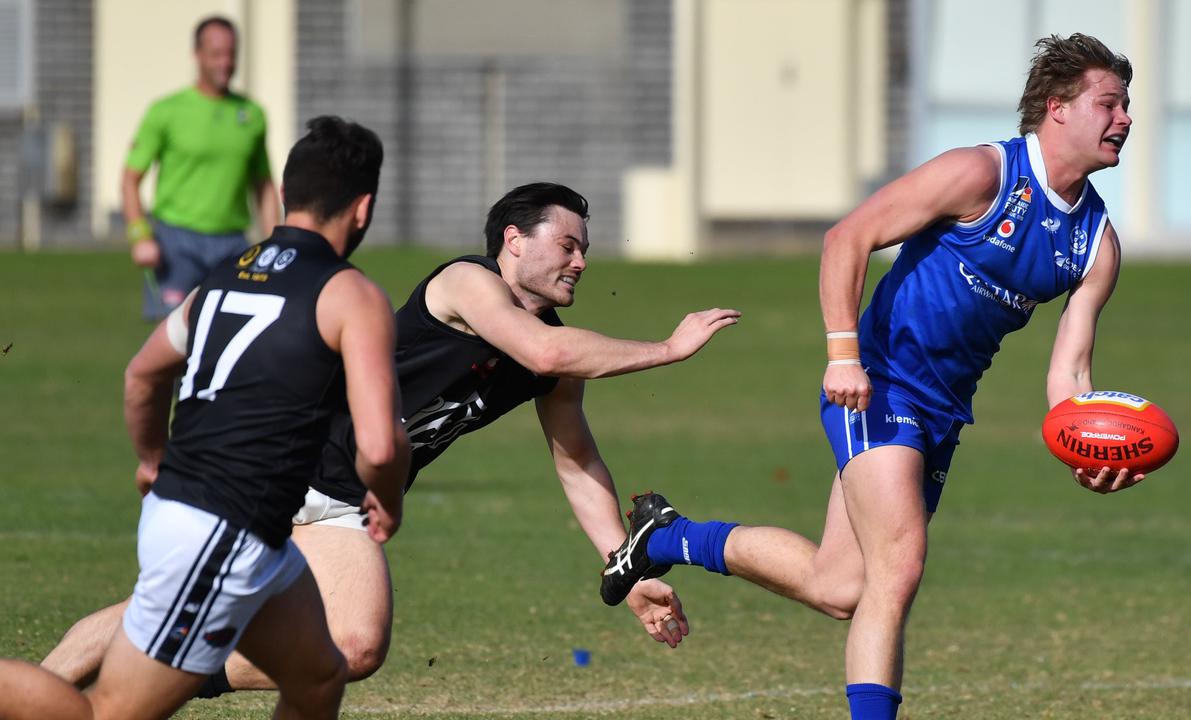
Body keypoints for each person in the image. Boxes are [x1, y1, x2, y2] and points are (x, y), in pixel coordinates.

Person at [599, 33, 1139, 720]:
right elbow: (846, 238)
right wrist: (843, 356)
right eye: (1110, 103)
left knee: (840, 587)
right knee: (900, 565)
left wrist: (1082, 444)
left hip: (943, 409)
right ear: (1057, 108)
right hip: (878, 381)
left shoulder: (1096, 243)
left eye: (1127, 106)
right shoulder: (982, 175)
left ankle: (666, 536)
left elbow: (1071, 371)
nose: (1125, 119)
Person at [40, 182, 741, 697]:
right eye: (567, 245)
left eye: (585, 250)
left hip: (349, 497)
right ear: (514, 241)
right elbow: (549, 354)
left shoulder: (548, 353)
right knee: (191, 616)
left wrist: (623, 563)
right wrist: (669, 349)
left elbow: (576, 458)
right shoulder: (466, 282)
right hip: (297, 468)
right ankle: (75, 686)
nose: (581, 262)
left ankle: (140, 678)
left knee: (350, 645)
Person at [0, 116, 408, 720]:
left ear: (287, 194)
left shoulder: (223, 277)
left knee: (319, 677)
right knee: (105, 714)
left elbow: (143, 373)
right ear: (364, 208)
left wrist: (149, 458)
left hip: (245, 532)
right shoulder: (351, 295)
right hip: (223, 531)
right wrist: (388, 497)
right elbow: (378, 446)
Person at [123, 15, 279, 321]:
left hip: (233, 244)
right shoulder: (166, 112)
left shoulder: (251, 115)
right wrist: (140, 235)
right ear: (198, 55)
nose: (225, 63)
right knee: (173, 343)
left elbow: (263, 185)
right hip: (176, 243)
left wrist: (274, 243)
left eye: (232, 54)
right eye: (216, 54)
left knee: (231, 334)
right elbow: (130, 179)